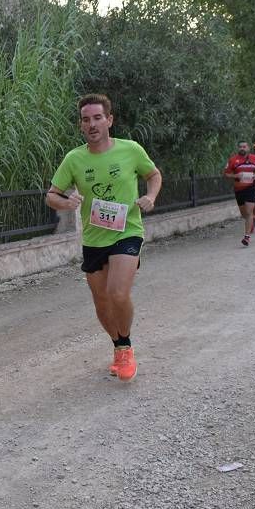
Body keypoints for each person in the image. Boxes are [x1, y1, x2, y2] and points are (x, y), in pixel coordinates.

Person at [46, 94, 161, 382]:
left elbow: (153, 174)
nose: (92, 124)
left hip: (127, 231)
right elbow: (51, 195)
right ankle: (118, 345)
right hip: (94, 238)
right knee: (101, 302)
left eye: (98, 118)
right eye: (86, 120)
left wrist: (150, 196)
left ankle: (125, 348)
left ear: (109, 120)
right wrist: (65, 202)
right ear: (81, 125)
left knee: (117, 293)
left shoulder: (130, 150)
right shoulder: (74, 159)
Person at [223, 141, 255, 246]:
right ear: (238, 148)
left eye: (244, 146)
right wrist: (236, 176)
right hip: (238, 190)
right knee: (244, 215)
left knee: (248, 213)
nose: (242, 148)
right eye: (240, 147)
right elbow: (226, 174)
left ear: (248, 148)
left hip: (250, 188)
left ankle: (247, 237)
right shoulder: (233, 160)